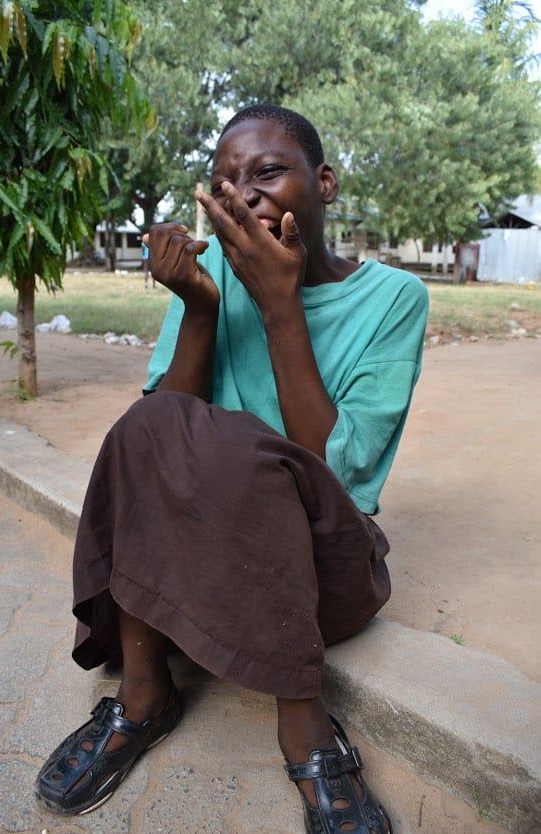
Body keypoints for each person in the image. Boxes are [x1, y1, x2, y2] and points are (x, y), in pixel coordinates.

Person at [35, 104, 428, 833]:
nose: (242, 194)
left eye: (269, 172)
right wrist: (199, 309)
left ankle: (303, 724)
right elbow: (158, 441)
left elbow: (334, 474)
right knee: (145, 421)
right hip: (212, 558)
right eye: (224, 181)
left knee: (251, 453)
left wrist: (281, 310)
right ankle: (146, 699)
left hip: (318, 566)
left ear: (326, 182)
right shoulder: (209, 271)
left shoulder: (394, 299)